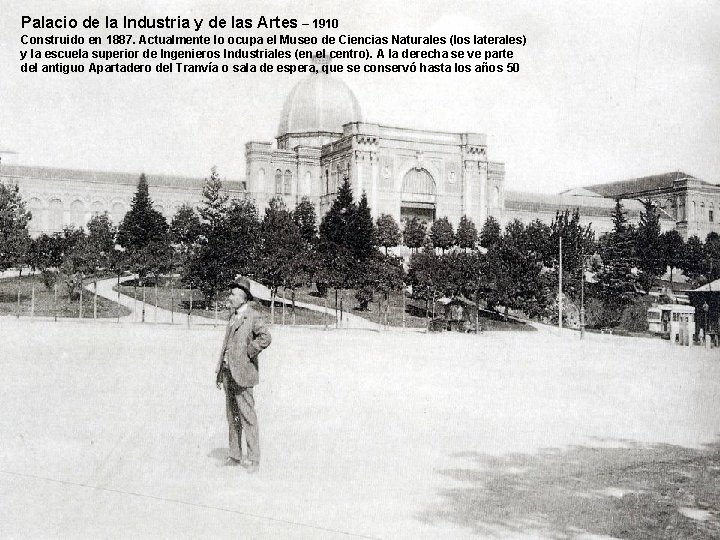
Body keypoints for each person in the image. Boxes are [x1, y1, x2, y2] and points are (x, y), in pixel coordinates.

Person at [215, 277, 272, 473]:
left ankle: (254, 459)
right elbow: (225, 345)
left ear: (243, 297)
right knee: (232, 417)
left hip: (244, 374)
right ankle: (235, 455)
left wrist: (249, 352)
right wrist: (219, 370)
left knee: (247, 417)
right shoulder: (232, 316)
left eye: (232, 294)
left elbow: (266, 337)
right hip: (228, 373)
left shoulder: (253, 316)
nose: (229, 297)